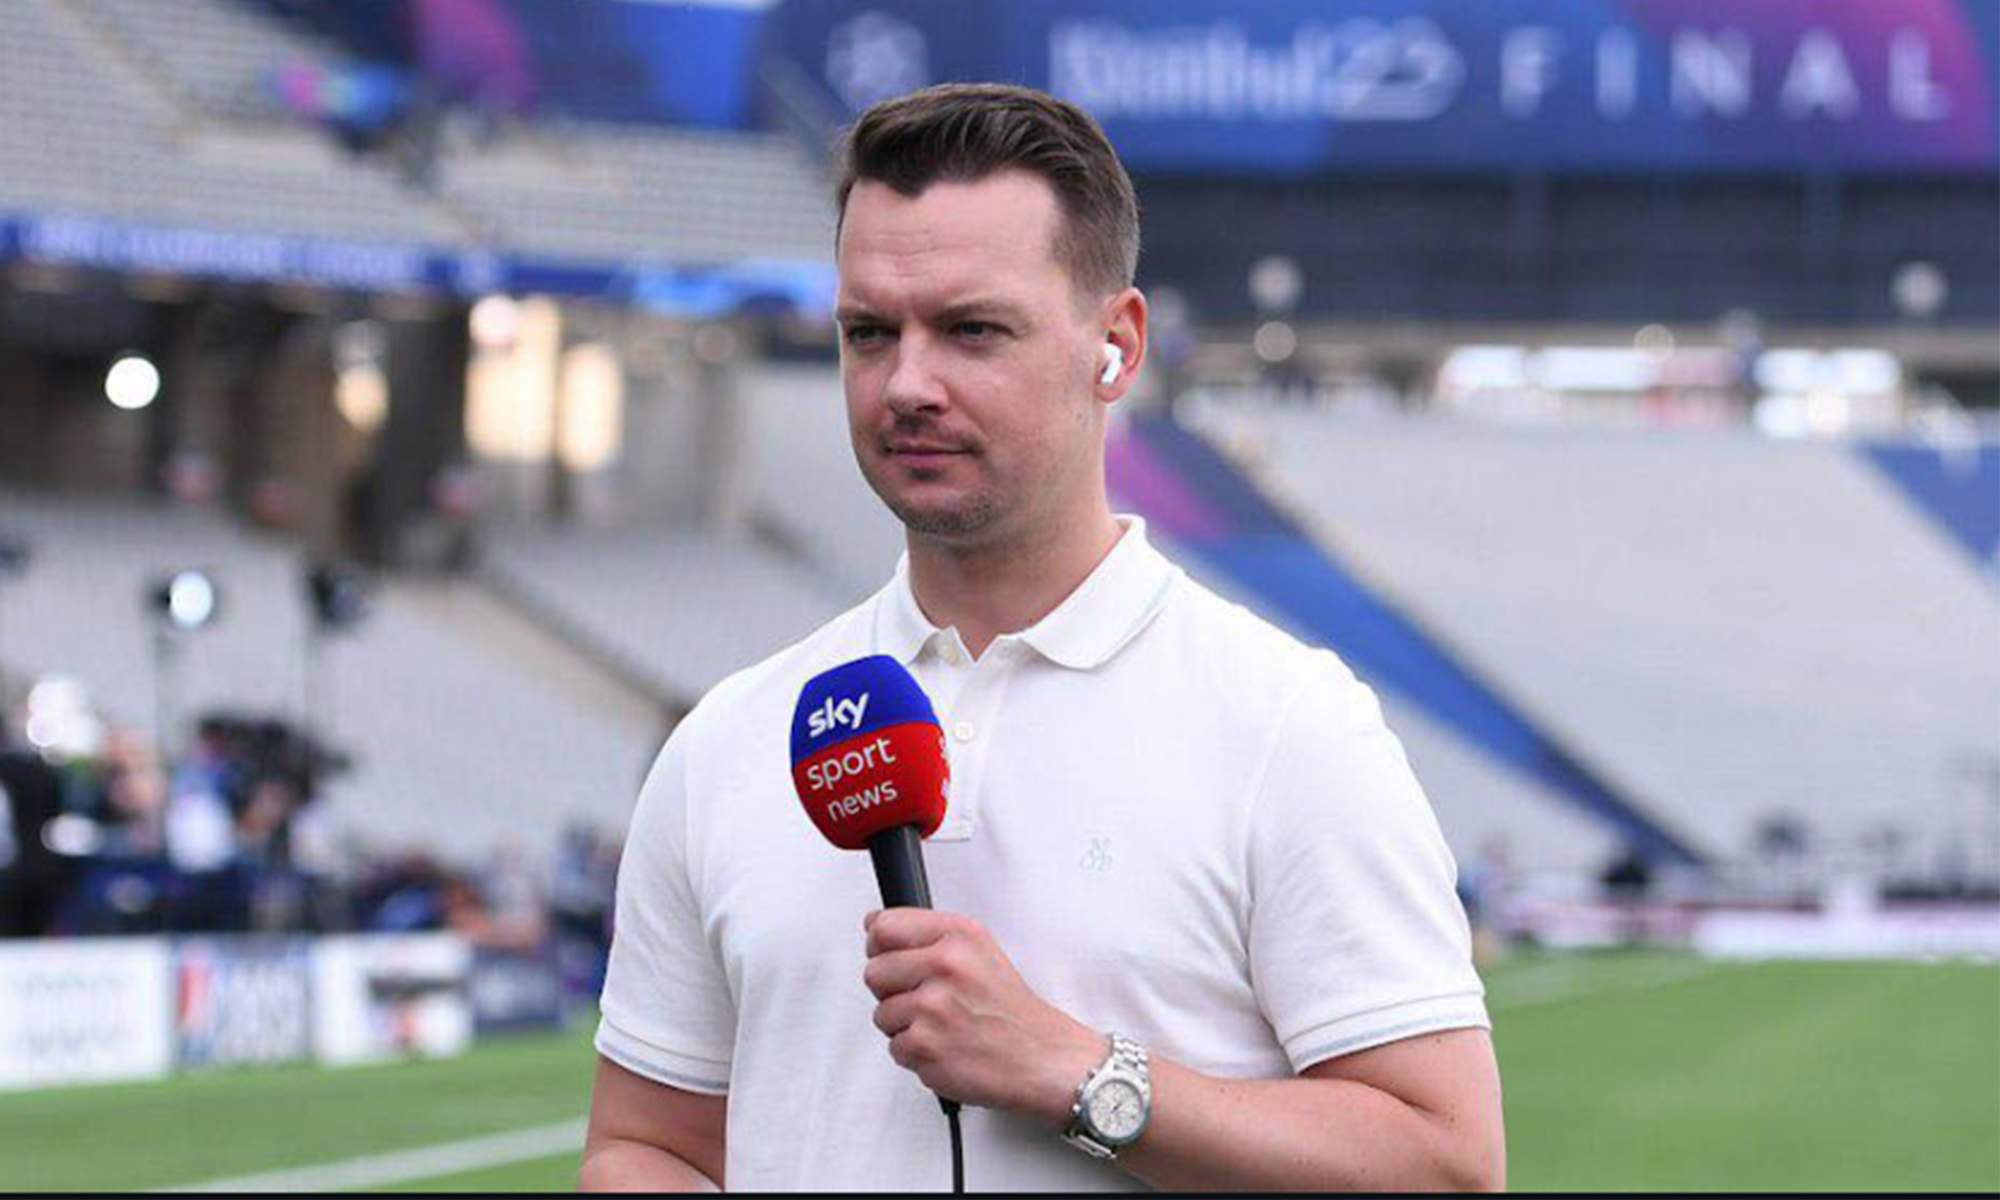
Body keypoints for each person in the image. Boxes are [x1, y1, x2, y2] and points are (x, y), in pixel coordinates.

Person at [582, 83, 1503, 1192]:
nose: (906, 384)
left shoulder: (1285, 726)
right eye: (869, 332)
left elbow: (1447, 1165)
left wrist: (1076, 1072)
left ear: (1115, 345)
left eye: (971, 330)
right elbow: (645, 1147)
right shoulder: (729, 741)